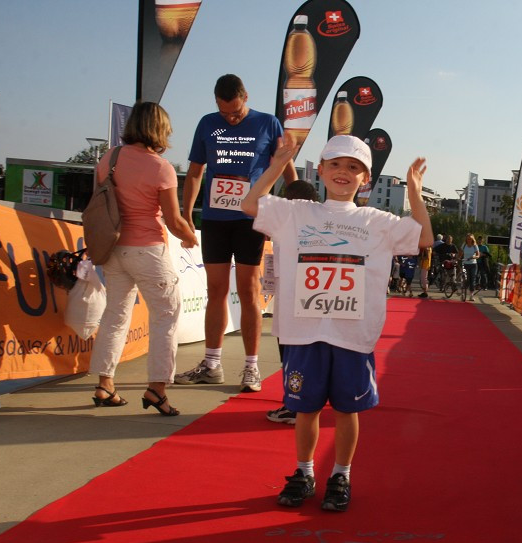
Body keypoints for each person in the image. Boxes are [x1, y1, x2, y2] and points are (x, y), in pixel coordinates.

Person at [242, 133, 433, 512]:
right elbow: (250, 204)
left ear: (366, 178)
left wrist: (414, 192)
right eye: (335, 164)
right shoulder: (295, 212)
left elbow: (424, 236)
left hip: (352, 334)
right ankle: (304, 472)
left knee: (347, 410)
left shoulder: (376, 220)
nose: (343, 172)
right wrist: (277, 166)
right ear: (322, 171)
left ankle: (341, 474)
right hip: (304, 331)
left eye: (354, 167)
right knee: (306, 408)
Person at [175, 74, 296, 393]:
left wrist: (298, 199)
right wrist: (186, 214)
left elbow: (284, 163)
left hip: (250, 219)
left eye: (236, 113)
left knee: (249, 291)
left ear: (246, 98)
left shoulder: (268, 123)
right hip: (215, 219)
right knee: (214, 290)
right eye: (224, 112)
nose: (230, 118)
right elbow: (195, 171)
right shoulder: (207, 123)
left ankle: (251, 367)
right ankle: (211, 365)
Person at [88, 102, 199, 416]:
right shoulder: (160, 167)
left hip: (113, 248)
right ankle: (157, 389)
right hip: (149, 249)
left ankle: (105, 384)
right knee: (165, 317)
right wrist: (190, 238)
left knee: (114, 317)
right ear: (159, 129)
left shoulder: (109, 158)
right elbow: (174, 220)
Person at [265, 179, 319, 425]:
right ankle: (301, 403)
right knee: (305, 354)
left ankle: (295, 405)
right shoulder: (318, 223)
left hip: (291, 299)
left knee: (290, 354)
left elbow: (251, 205)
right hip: (312, 299)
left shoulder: (284, 221)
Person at [461, 233, 480, 300]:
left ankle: (471, 295)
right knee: (466, 279)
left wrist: (474, 257)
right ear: (466, 239)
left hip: (473, 264)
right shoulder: (464, 245)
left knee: (472, 279)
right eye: (468, 239)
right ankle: (463, 293)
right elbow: (460, 253)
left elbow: (478, 255)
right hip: (465, 264)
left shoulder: (475, 246)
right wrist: (457, 258)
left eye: (470, 239)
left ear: (472, 239)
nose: (469, 240)